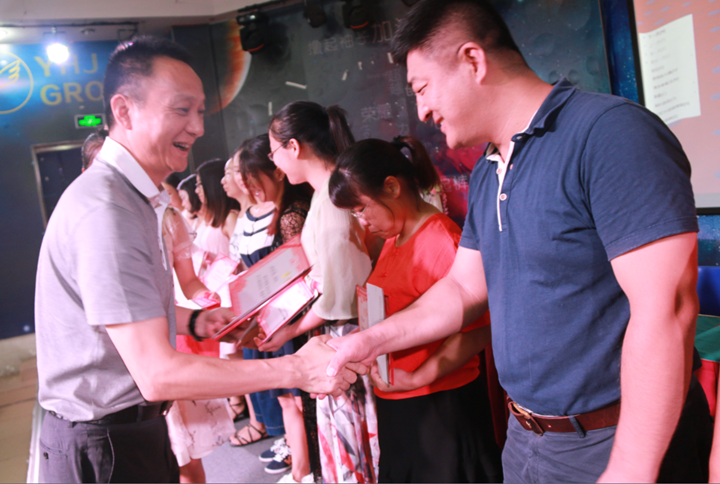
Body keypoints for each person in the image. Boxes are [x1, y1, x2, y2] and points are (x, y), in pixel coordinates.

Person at [324, 1, 712, 483]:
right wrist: (367, 341)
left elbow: (667, 307)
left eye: (422, 88)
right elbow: (463, 290)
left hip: (613, 439)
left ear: (473, 60)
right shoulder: (489, 171)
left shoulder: (610, 133)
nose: (421, 110)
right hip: (527, 438)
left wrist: (631, 468)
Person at [34, 35, 363, 484]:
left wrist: (195, 322)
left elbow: (117, 317)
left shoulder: (132, 199)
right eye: (181, 109)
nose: (197, 127)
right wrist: (296, 368)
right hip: (105, 442)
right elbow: (157, 374)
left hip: (127, 430)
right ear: (124, 111)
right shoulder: (107, 209)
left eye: (200, 111)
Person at [329, 136, 503, 483]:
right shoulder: (395, 236)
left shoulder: (441, 239)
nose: (363, 221)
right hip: (401, 400)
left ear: (392, 187)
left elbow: (480, 328)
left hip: (441, 405)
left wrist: (419, 376)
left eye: (362, 209)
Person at [258, 101, 378, 483]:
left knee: (352, 455)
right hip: (345, 332)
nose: (275, 163)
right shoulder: (326, 194)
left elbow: (337, 296)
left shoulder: (331, 200)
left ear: (293, 147)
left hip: (347, 338)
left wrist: (289, 331)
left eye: (274, 152)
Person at [237, 134, 314, 482]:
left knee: (294, 398)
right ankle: (301, 468)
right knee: (288, 398)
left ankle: (302, 471)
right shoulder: (282, 213)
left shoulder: (291, 216)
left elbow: (302, 277)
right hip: (279, 315)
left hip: (290, 316)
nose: (250, 188)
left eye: (254, 179)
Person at [195, 158, 239, 259]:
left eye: (199, 185)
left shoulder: (230, 217)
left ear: (212, 184)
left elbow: (239, 258)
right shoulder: (216, 218)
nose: (197, 191)